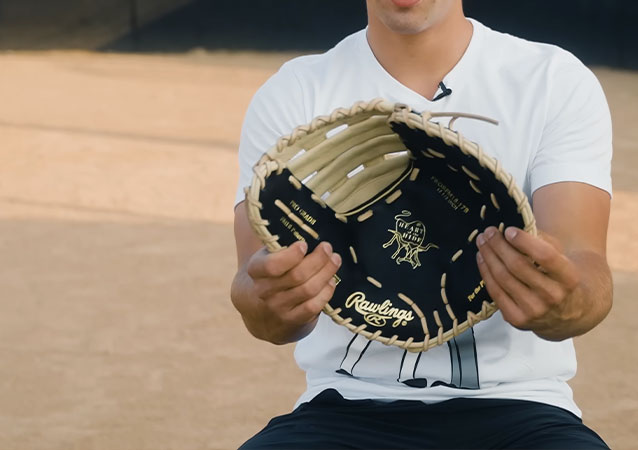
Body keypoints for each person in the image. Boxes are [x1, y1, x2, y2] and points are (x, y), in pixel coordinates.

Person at [230, 0, 613, 448]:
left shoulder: (551, 80)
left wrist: (565, 299)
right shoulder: (296, 91)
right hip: (345, 405)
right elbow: (255, 298)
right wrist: (273, 299)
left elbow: (585, 264)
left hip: (521, 407)